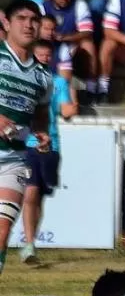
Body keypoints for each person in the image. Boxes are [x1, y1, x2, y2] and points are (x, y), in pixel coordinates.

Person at [0, 0, 51, 277]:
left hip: (13, 159)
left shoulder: (43, 76)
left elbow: (41, 114)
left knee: (3, 228)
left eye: (34, 19)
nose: (29, 24)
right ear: (6, 23)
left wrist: (41, 133)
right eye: (21, 18)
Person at [18, 39, 78, 264]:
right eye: (39, 55)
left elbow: (65, 109)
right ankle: (29, 244)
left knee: (39, 196)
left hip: (52, 145)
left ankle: (31, 242)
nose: (43, 59)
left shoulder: (59, 82)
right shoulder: (23, 80)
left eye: (47, 55)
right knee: (30, 192)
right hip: (28, 144)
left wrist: (72, 106)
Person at [41, 0, 98, 95]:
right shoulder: (43, 7)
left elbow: (87, 31)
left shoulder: (79, 4)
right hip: (49, 45)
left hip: (72, 45)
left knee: (88, 44)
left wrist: (64, 37)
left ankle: (92, 89)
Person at [37, 16, 73, 82]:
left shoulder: (62, 48)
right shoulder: (29, 45)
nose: (50, 33)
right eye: (46, 29)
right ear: (38, 28)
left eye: (53, 29)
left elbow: (64, 79)